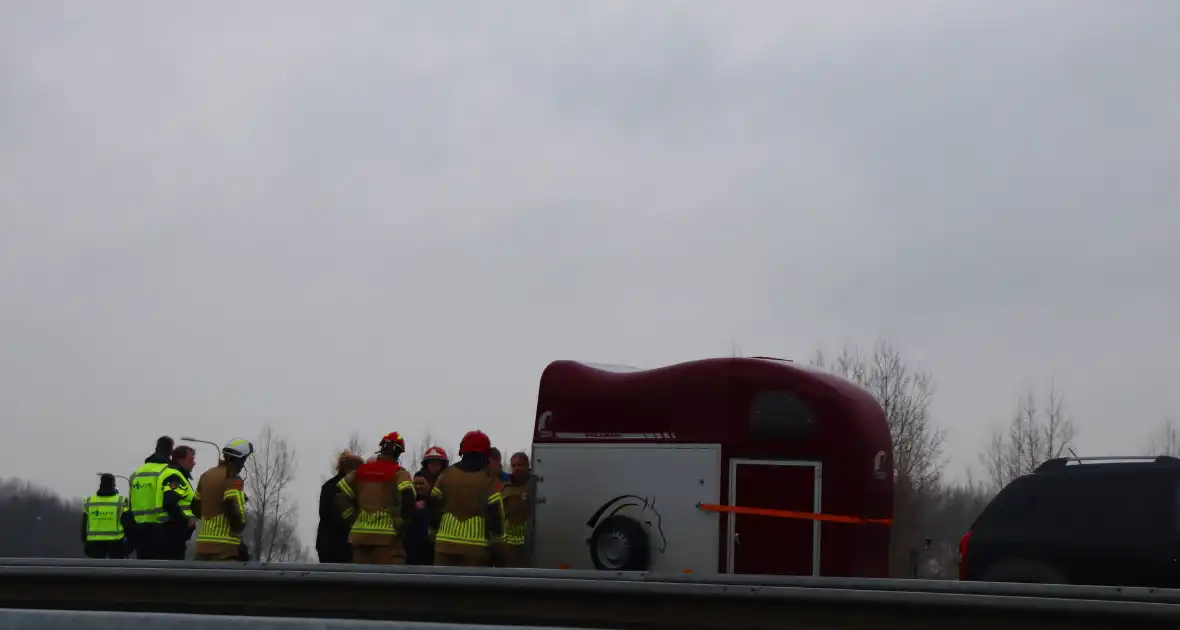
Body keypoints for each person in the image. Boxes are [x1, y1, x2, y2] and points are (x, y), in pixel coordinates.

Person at [335, 432, 416, 565]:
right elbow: (408, 494)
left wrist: (351, 518)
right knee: (387, 581)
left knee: (361, 581)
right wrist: (402, 523)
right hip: (387, 539)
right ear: (398, 452)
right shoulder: (399, 472)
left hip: (360, 537)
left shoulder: (362, 470)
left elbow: (341, 491)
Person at [429, 430, 504, 567]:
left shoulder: (446, 474)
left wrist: (432, 531)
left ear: (462, 451)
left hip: (445, 546)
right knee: (471, 587)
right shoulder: (489, 479)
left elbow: (434, 504)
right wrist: (497, 543)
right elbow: (496, 514)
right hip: (476, 548)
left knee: (442, 586)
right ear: (485, 454)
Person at [194, 438, 253, 561]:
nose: (243, 464)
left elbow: (195, 506)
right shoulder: (232, 479)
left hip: (202, 547)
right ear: (239, 459)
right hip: (224, 550)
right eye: (244, 460)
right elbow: (233, 512)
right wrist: (241, 524)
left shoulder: (206, 475)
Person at [128, 436, 174, 559]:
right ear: (170, 451)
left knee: (143, 569)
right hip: (161, 528)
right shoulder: (168, 471)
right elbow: (171, 500)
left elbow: (130, 505)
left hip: (139, 529)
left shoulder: (137, 473)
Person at [316, 451, 363, 564]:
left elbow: (324, 515)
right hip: (340, 546)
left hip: (327, 545)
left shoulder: (328, 486)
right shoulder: (348, 488)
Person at [156, 446, 199, 560]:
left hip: (171, 534)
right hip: (172, 533)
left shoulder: (177, 475)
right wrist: (186, 520)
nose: (194, 463)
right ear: (181, 460)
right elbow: (169, 502)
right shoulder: (174, 476)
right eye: (191, 459)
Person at [81, 474, 131, 559]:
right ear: (114, 485)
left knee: (96, 570)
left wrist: (86, 542)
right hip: (116, 543)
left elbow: (84, 525)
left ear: (100, 485)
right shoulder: (121, 501)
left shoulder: (89, 501)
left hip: (94, 543)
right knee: (117, 570)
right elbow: (128, 524)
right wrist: (128, 544)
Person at [498, 452, 534, 567]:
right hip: (508, 544)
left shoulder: (535, 485)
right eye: (513, 465)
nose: (516, 468)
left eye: (520, 465)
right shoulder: (504, 486)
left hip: (530, 542)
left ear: (527, 466)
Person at [403, 471, 436, 565]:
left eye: (421, 484)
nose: (418, 487)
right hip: (410, 549)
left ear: (429, 484)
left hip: (428, 549)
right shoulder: (408, 501)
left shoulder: (434, 502)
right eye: (415, 484)